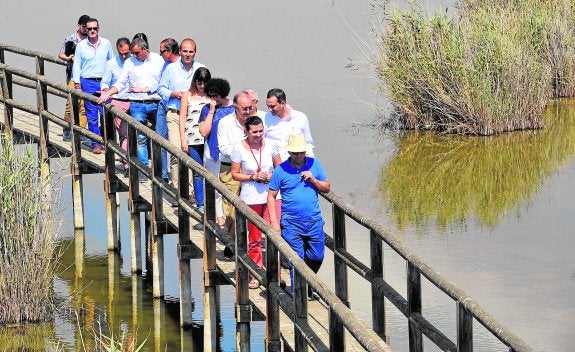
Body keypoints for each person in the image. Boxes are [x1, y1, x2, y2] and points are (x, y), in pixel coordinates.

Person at [267, 134, 330, 298]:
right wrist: (275, 223)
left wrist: (313, 180)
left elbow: (327, 187)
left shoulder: (314, 164)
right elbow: (271, 195)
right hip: (291, 222)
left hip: (314, 220)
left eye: (301, 152)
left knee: (317, 256)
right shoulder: (280, 170)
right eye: (294, 153)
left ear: (305, 151)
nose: (298, 156)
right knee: (297, 259)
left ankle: (307, 283)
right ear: (289, 153)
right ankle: (298, 294)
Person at [96, 38, 164, 182]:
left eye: (136, 53)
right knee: (140, 138)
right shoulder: (129, 62)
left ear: (145, 49)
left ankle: (161, 172)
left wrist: (145, 89)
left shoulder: (158, 60)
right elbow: (121, 83)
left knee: (161, 137)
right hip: (137, 103)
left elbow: (162, 83)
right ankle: (144, 171)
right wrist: (108, 93)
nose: (134, 56)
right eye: (132, 53)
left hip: (156, 103)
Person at [231, 115, 281, 288]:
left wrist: (271, 176)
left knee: (274, 233)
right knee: (254, 238)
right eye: (255, 132)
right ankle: (255, 272)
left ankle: (276, 273)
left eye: (261, 131)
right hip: (251, 196)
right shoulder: (239, 148)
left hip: (272, 196)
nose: (258, 135)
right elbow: (235, 174)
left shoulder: (271, 145)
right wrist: (253, 176)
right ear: (247, 131)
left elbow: (280, 168)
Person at [159, 38, 206, 186]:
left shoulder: (201, 68)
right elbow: (160, 89)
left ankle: (191, 190)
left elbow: (209, 90)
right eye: (185, 51)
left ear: (195, 53)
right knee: (176, 151)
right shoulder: (171, 68)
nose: (187, 54)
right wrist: (174, 94)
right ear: (179, 51)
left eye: (190, 52)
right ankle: (178, 189)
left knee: (192, 153)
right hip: (175, 113)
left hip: (195, 117)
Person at [71, 17, 114, 154]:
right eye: (89, 29)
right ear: (86, 30)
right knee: (91, 114)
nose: (92, 31)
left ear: (98, 29)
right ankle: (95, 142)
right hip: (87, 81)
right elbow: (77, 64)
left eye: (94, 28)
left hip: (104, 82)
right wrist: (77, 82)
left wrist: (113, 83)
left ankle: (106, 141)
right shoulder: (81, 46)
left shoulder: (106, 43)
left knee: (105, 113)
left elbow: (111, 62)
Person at [198, 78, 235, 228]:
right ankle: (218, 217)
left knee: (229, 187)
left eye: (216, 96)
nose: (213, 99)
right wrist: (212, 111)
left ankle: (230, 218)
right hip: (212, 153)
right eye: (210, 96)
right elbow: (204, 131)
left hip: (230, 154)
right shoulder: (206, 109)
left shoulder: (234, 107)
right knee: (214, 187)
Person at [217, 91, 253, 234]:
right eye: (245, 108)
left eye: (250, 108)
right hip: (229, 169)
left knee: (249, 206)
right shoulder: (225, 123)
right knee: (232, 207)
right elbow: (224, 149)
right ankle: (233, 241)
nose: (248, 111)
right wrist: (242, 150)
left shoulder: (255, 122)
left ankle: (240, 242)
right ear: (235, 107)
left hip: (250, 169)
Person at [179, 67, 211, 216]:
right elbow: (182, 117)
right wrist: (182, 139)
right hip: (192, 138)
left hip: (208, 139)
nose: (202, 86)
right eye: (199, 83)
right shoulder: (187, 95)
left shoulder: (212, 97)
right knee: (197, 172)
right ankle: (201, 204)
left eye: (205, 83)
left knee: (210, 172)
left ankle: (212, 204)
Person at [100, 37, 131, 176]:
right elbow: (105, 81)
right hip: (117, 100)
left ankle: (139, 162)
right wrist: (106, 90)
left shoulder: (134, 62)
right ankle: (127, 165)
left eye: (126, 53)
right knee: (124, 134)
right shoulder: (111, 63)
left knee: (138, 134)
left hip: (134, 100)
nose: (124, 56)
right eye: (121, 53)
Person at [58, 14, 89, 141]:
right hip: (72, 75)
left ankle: (81, 131)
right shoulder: (70, 39)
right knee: (70, 102)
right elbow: (60, 53)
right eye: (84, 27)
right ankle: (66, 129)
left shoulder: (90, 41)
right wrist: (69, 58)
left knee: (84, 105)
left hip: (86, 76)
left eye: (88, 27)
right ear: (78, 26)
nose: (86, 29)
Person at [264, 88, 314, 161]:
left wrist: (310, 164)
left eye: (272, 106)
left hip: (296, 165)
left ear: (283, 103)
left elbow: (308, 143)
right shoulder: (265, 118)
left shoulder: (301, 118)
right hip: (273, 167)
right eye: (268, 106)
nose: (269, 109)